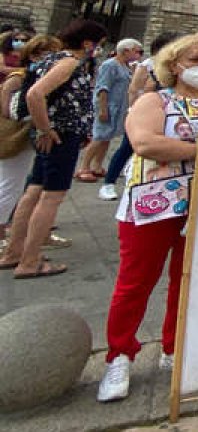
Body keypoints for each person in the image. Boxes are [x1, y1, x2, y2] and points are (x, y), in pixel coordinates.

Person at [97, 32, 198, 402]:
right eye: (194, 60)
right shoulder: (155, 99)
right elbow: (145, 143)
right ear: (174, 65)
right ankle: (119, 355)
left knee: (189, 282)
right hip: (152, 205)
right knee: (136, 283)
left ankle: (174, 348)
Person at [0, 19, 108, 278]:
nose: (99, 50)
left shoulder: (56, 59)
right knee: (51, 197)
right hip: (61, 137)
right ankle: (30, 260)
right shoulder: (69, 62)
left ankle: (14, 252)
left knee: (34, 190)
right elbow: (35, 95)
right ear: (87, 43)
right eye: (99, 45)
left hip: (53, 135)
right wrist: (46, 129)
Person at [98, 32, 179, 201]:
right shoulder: (148, 66)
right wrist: (134, 111)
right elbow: (133, 90)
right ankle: (108, 184)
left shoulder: (176, 67)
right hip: (144, 113)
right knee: (127, 147)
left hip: (168, 113)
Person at [0, 35, 62, 247]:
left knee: (18, 184)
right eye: (49, 54)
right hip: (14, 136)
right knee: (10, 184)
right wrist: (41, 123)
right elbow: (8, 112)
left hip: (25, 136)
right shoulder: (19, 77)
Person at [76, 38, 143, 182]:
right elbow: (103, 88)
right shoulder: (110, 65)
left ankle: (97, 165)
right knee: (99, 137)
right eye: (137, 51)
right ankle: (84, 167)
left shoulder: (125, 66)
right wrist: (103, 109)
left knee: (107, 138)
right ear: (126, 51)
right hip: (108, 105)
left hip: (118, 107)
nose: (139, 54)